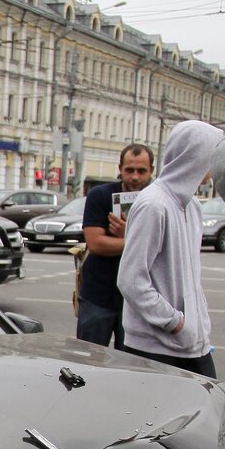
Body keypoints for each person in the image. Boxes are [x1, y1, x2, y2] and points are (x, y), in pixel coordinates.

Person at [117, 120, 225, 378]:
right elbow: (131, 279)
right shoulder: (153, 205)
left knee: (208, 412)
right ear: (196, 155)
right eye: (215, 153)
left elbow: (188, 277)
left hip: (192, 344)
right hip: (157, 347)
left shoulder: (192, 205)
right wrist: (176, 323)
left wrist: (198, 325)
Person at [75, 143, 155, 348]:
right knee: (88, 360)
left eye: (141, 171)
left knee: (131, 366)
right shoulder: (100, 195)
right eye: (129, 170)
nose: (135, 177)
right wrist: (134, 240)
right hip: (98, 295)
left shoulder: (157, 200)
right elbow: (96, 243)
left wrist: (124, 236)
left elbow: (162, 247)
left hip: (137, 300)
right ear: (120, 169)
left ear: (152, 171)